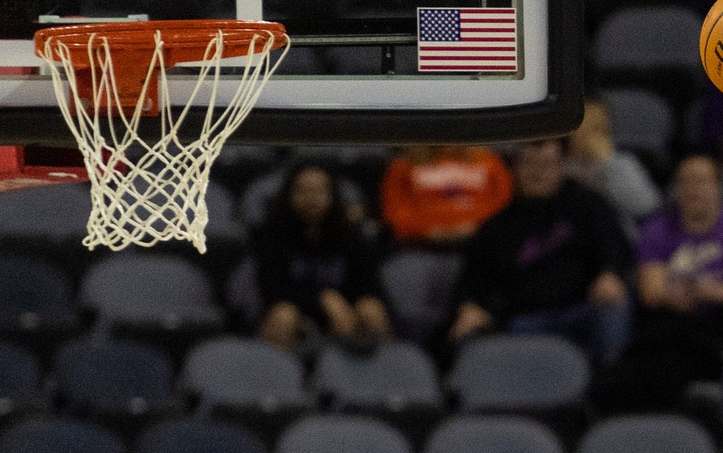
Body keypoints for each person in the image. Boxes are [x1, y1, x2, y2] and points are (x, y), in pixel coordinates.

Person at [449, 138, 634, 368]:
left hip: (581, 310)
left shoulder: (587, 204)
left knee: (615, 306)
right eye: (529, 163)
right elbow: (473, 279)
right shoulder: (496, 226)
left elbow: (613, 246)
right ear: (515, 167)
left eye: (546, 164)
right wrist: (470, 306)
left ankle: (610, 380)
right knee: (472, 333)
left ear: (562, 166)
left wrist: (610, 273)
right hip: (521, 322)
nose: (537, 172)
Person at [622, 152, 723, 406]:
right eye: (685, 181)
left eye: (701, 181)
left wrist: (704, 291)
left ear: (718, 186)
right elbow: (651, 291)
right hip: (674, 318)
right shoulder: (657, 229)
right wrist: (686, 294)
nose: (693, 189)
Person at [251, 163, 391, 355]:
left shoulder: (351, 235)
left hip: (344, 313)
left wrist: (346, 306)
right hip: (296, 312)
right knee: (284, 316)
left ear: (332, 195)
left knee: (371, 309)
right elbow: (272, 290)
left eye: (318, 191)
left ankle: (383, 371)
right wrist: (322, 297)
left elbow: (368, 285)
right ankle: (276, 371)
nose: (311, 198)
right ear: (289, 195)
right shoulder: (271, 236)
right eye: (303, 191)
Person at [380, 144, 513, 249]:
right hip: (420, 247)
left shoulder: (489, 161)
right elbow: (395, 210)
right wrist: (427, 230)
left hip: (482, 245)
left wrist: (478, 226)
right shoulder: (404, 165)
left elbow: (505, 204)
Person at [566, 97, 664, 226]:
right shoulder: (554, 165)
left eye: (598, 127)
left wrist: (610, 162)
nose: (593, 136)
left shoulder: (621, 163)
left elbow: (648, 207)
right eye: (587, 126)